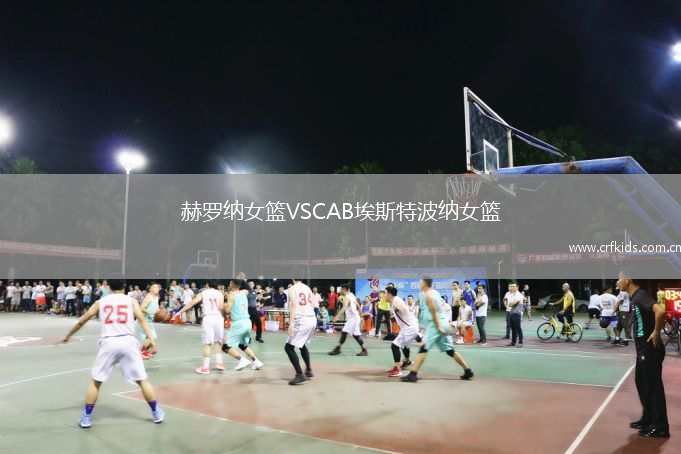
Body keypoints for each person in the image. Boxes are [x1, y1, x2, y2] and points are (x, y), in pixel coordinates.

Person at [59, 276, 164, 428]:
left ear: (108, 287)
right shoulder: (131, 301)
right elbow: (142, 319)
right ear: (124, 286)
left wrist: (68, 335)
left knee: (96, 382)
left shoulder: (101, 302)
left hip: (109, 343)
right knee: (142, 380)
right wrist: (152, 340)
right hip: (128, 342)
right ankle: (156, 413)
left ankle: (86, 418)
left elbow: (82, 320)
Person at [618, 270, 669, 438]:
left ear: (628, 279)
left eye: (619, 278)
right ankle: (648, 418)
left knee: (653, 385)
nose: (617, 281)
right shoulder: (634, 298)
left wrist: (656, 332)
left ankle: (661, 426)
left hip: (649, 348)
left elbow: (660, 311)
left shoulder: (640, 296)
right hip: (642, 349)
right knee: (641, 381)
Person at [401, 278, 473, 383]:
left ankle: (413, 374)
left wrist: (439, 327)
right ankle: (468, 371)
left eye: (421, 282)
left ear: (425, 284)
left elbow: (433, 311)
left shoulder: (428, 295)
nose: (420, 284)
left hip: (435, 325)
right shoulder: (434, 292)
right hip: (442, 323)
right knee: (450, 351)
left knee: (423, 348)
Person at [174, 280, 226, 374]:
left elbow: (192, 303)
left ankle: (205, 368)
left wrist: (180, 311)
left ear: (207, 285)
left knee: (207, 344)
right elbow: (221, 308)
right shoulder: (220, 294)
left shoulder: (204, 293)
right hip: (218, 318)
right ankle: (219, 363)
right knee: (218, 341)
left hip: (208, 318)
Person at [221, 279, 264, 371]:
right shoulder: (244, 292)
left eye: (230, 283)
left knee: (225, 346)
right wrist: (241, 281)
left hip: (238, 323)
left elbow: (227, 310)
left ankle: (242, 360)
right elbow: (248, 288)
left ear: (232, 284)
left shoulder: (231, 295)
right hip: (247, 322)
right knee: (242, 344)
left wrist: (221, 307)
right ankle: (256, 361)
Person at [285, 276, 317, 385]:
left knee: (288, 347)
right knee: (302, 344)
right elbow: (312, 304)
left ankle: (299, 374)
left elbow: (293, 305)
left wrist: (291, 323)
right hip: (312, 319)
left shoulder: (292, 288)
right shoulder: (307, 288)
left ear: (292, 277)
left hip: (302, 320)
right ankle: (308, 370)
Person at [385, 287, 420, 377]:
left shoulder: (396, 300)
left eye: (385, 293)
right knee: (404, 345)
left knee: (394, 346)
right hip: (408, 327)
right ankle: (407, 361)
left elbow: (404, 310)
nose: (384, 296)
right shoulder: (394, 301)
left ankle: (397, 369)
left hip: (409, 328)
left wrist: (398, 309)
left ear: (389, 294)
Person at [329, 285, 368, 357]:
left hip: (353, 318)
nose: (340, 291)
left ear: (344, 290)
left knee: (346, 332)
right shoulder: (352, 296)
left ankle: (338, 349)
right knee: (354, 334)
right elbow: (358, 306)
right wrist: (360, 317)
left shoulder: (347, 298)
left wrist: (337, 316)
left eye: (341, 290)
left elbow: (344, 308)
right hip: (354, 318)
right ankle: (364, 350)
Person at [139, 283, 161, 360]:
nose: (157, 289)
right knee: (151, 338)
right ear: (150, 289)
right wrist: (151, 313)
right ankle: (140, 352)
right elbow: (141, 308)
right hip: (144, 321)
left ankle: (144, 351)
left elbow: (155, 309)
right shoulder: (149, 298)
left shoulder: (156, 297)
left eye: (158, 287)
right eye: (155, 287)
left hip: (149, 321)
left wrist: (158, 310)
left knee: (153, 347)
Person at [505, 283, 524, 347]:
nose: (512, 287)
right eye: (512, 286)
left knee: (518, 329)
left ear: (517, 287)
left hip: (517, 314)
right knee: (513, 329)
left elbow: (511, 304)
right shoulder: (513, 295)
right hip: (511, 313)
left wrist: (511, 303)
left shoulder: (518, 295)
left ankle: (520, 342)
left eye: (513, 286)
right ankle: (513, 342)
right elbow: (510, 303)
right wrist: (510, 303)